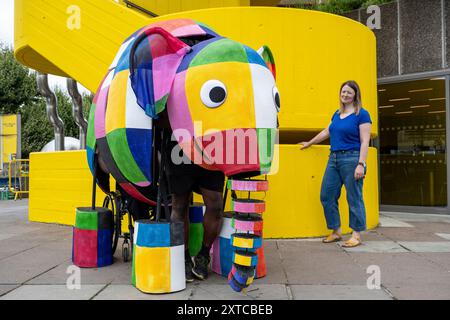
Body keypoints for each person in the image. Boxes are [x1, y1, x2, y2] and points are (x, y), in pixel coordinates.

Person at [300, 80, 372, 248]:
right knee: (327, 195)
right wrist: (310, 143)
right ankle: (336, 231)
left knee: (354, 197)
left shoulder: (361, 114)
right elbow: (327, 131)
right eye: (343, 92)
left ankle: (356, 234)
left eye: (349, 92)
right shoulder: (337, 114)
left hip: (352, 158)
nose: (345, 95)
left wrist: (361, 164)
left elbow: (365, 141)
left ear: (355, 95)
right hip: (334, 159)